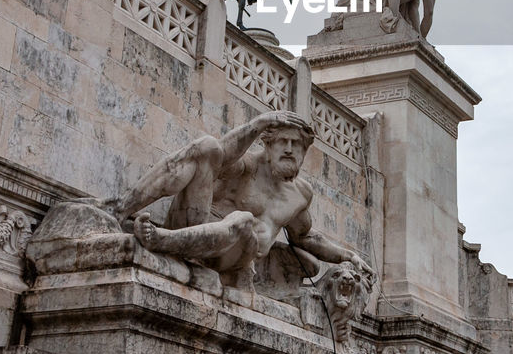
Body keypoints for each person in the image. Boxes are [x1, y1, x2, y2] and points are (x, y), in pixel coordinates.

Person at [111, 111, 371, 287]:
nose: (290, 149)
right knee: (206, 146)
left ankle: (161, 240)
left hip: (233, 258)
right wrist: (257, 124)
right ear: (268, 145)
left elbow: (306, 237)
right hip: (193, 227)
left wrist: (348, 255)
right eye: (283, 142)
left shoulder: (301, 194)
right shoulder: (247, 165)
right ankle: (119, 210)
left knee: (244, 222)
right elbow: (219, 156)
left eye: (296, 144)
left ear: (305, 152)